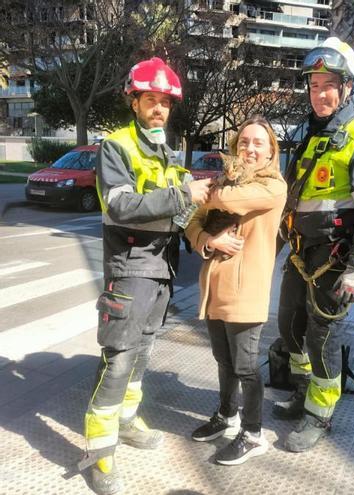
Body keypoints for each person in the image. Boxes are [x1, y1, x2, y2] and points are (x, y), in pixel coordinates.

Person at [81, 57, 213, 495]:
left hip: (161, 269)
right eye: (150, 100)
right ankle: (101, 456)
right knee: (118, 358)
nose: (159, 109)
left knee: (141, 353)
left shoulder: (167, 152)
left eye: (165, 102)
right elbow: (119, 206)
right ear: (134, 101)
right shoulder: (117, 146)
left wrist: (205, 207)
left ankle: (126, 421)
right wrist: (182, 194)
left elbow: (181, 211)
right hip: (131, 267)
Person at [272, 37, 354, 452]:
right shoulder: (313, 135)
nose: (318, 93)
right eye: (313, 85)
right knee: (289, 325)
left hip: (335, 259)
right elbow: (294, 197)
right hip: (301, 252)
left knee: (323, 337)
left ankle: (319, 415)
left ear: (347, 88)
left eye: (328, 85)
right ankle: (301, 390)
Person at [184, 116, 286, 465]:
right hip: (214, 287)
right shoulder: (223, 182)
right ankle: (226, 416)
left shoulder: (274, 187)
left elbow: (229, 200)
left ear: (272, 149)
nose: (250, 148)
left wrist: (208, 194)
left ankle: (253, 433)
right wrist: (209, 241)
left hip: (246, 291)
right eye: (244, 142)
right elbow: (192, 222)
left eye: (258, 142)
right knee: (223, 361)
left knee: (246, 367)